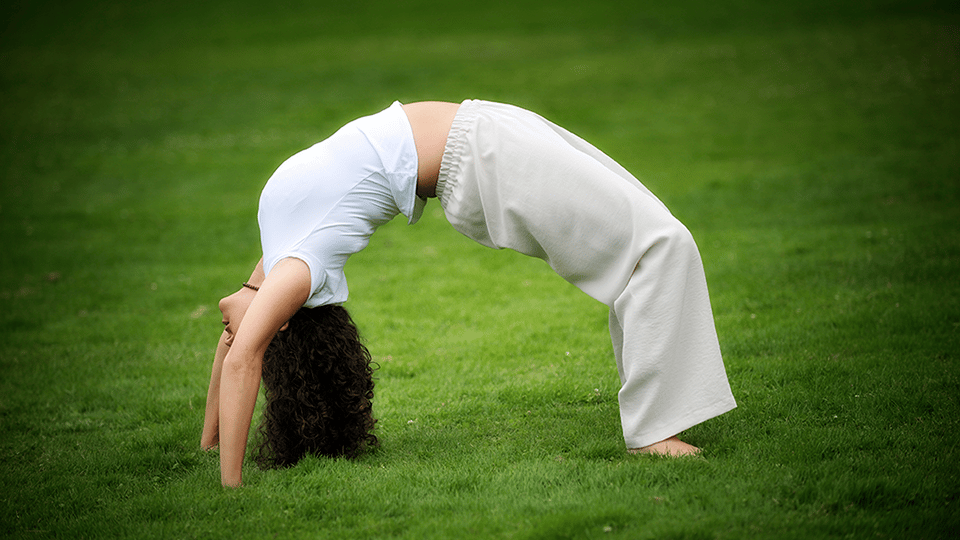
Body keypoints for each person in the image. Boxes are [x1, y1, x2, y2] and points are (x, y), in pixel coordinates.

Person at [201, 100, 737, 487]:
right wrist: (232, 486)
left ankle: (654, 416)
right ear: (284, 322)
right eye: (254, 326)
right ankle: (653, 433)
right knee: (660, 245)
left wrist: (210, 445)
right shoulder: (297, 271)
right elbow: (245, 354)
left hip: (486, 132)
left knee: (652, 238)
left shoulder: (275, 251)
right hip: (484, 160)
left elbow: (235, 351)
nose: (228, 330)